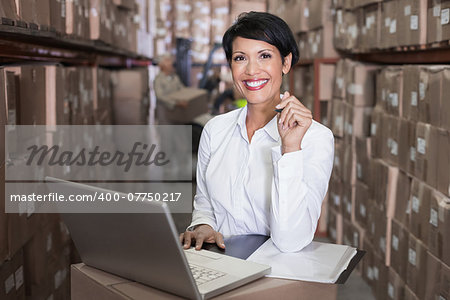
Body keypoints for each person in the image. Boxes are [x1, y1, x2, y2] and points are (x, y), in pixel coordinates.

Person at [179, 12, 334, 253]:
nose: (252, 70)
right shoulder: (215, 130)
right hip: (220, 264)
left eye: (264, 56)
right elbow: (204, 201)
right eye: (240, 58)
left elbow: (290, 241)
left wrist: (290, 150)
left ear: (285, 62)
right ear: (230, 65)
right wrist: (203, 225)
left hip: (278, 275)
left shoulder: (315, 138)